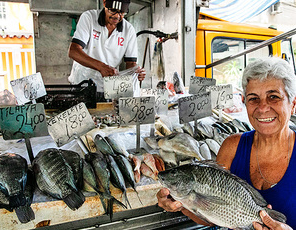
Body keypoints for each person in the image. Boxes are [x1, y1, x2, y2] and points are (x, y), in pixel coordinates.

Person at [157, 57, 296, 229]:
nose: (262, 108)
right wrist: (180, 204)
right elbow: (212, 214)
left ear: (293, 104)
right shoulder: (232, 146)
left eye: (273, 97)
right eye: (253, 98)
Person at [68, 0, 146, 101]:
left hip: (109, 87)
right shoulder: (89, 18)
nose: (117, 16)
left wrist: (136, 72)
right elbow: (74, 51)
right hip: (83, 83)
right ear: (104, 3)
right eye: (113, 10)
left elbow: (131, 63)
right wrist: (101, 67)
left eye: (122, 13)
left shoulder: (128, 30)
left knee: (105, 115)